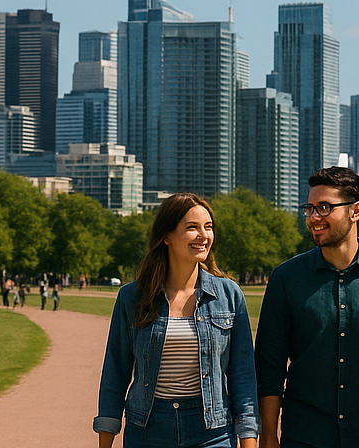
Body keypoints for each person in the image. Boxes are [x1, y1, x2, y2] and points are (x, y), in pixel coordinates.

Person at [255, 166, 359, 448]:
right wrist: (268, 436)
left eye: (325, 207)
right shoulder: (285, 278)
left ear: (355, 211)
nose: (314, 217)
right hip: (303, 437)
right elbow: (270, 368)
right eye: (310, 209)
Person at [95, 192, 258, 448]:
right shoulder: (133, 297)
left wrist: (248, 439)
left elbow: (243, 375)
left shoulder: (229, 295)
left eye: (208, 227)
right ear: (166, 236)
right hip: (148, 429)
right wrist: (105, 440)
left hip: (212, 432)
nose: (203, 235)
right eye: (192, 227)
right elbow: (115, 372)